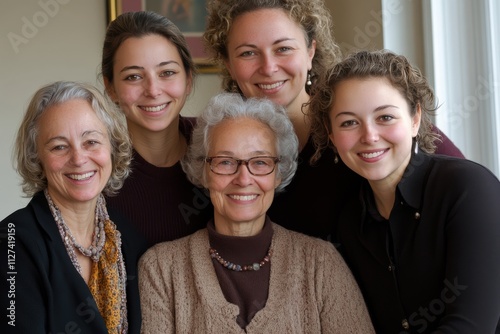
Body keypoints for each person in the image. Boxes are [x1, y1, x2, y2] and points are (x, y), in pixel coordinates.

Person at [203, 0, 465, 240]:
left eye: (283, 48)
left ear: (310, 51)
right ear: (228, 64)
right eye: (248, 53)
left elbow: (463, 190)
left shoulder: (365, 126)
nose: (269, 67)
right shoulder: (214, 147)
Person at [138, 93, 375, 333]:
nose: (243, 179)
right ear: (203, 171)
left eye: (260, 162)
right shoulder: (160, 269)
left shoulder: (321, 263)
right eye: (225, 162)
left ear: (279, 173)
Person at [308, 50, 500, 333]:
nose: (369, 136)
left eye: (385, 117)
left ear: (415, 118)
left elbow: (469, 327)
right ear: (332, 134)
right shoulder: (349, 222)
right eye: (349, 122)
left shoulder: (468, 189)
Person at [0, 81, 147, 333]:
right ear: (38, 158)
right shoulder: (12, 241)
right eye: (59, 146)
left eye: (91, 141)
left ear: (112, 147)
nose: (78, 159)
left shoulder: (127, 237)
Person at [101, 11, 212, 246]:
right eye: (133, 77)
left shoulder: (217, 144)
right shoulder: (96, 165)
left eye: (167, 73)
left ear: (188, 79)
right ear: (110, 88)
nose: (152, 90)